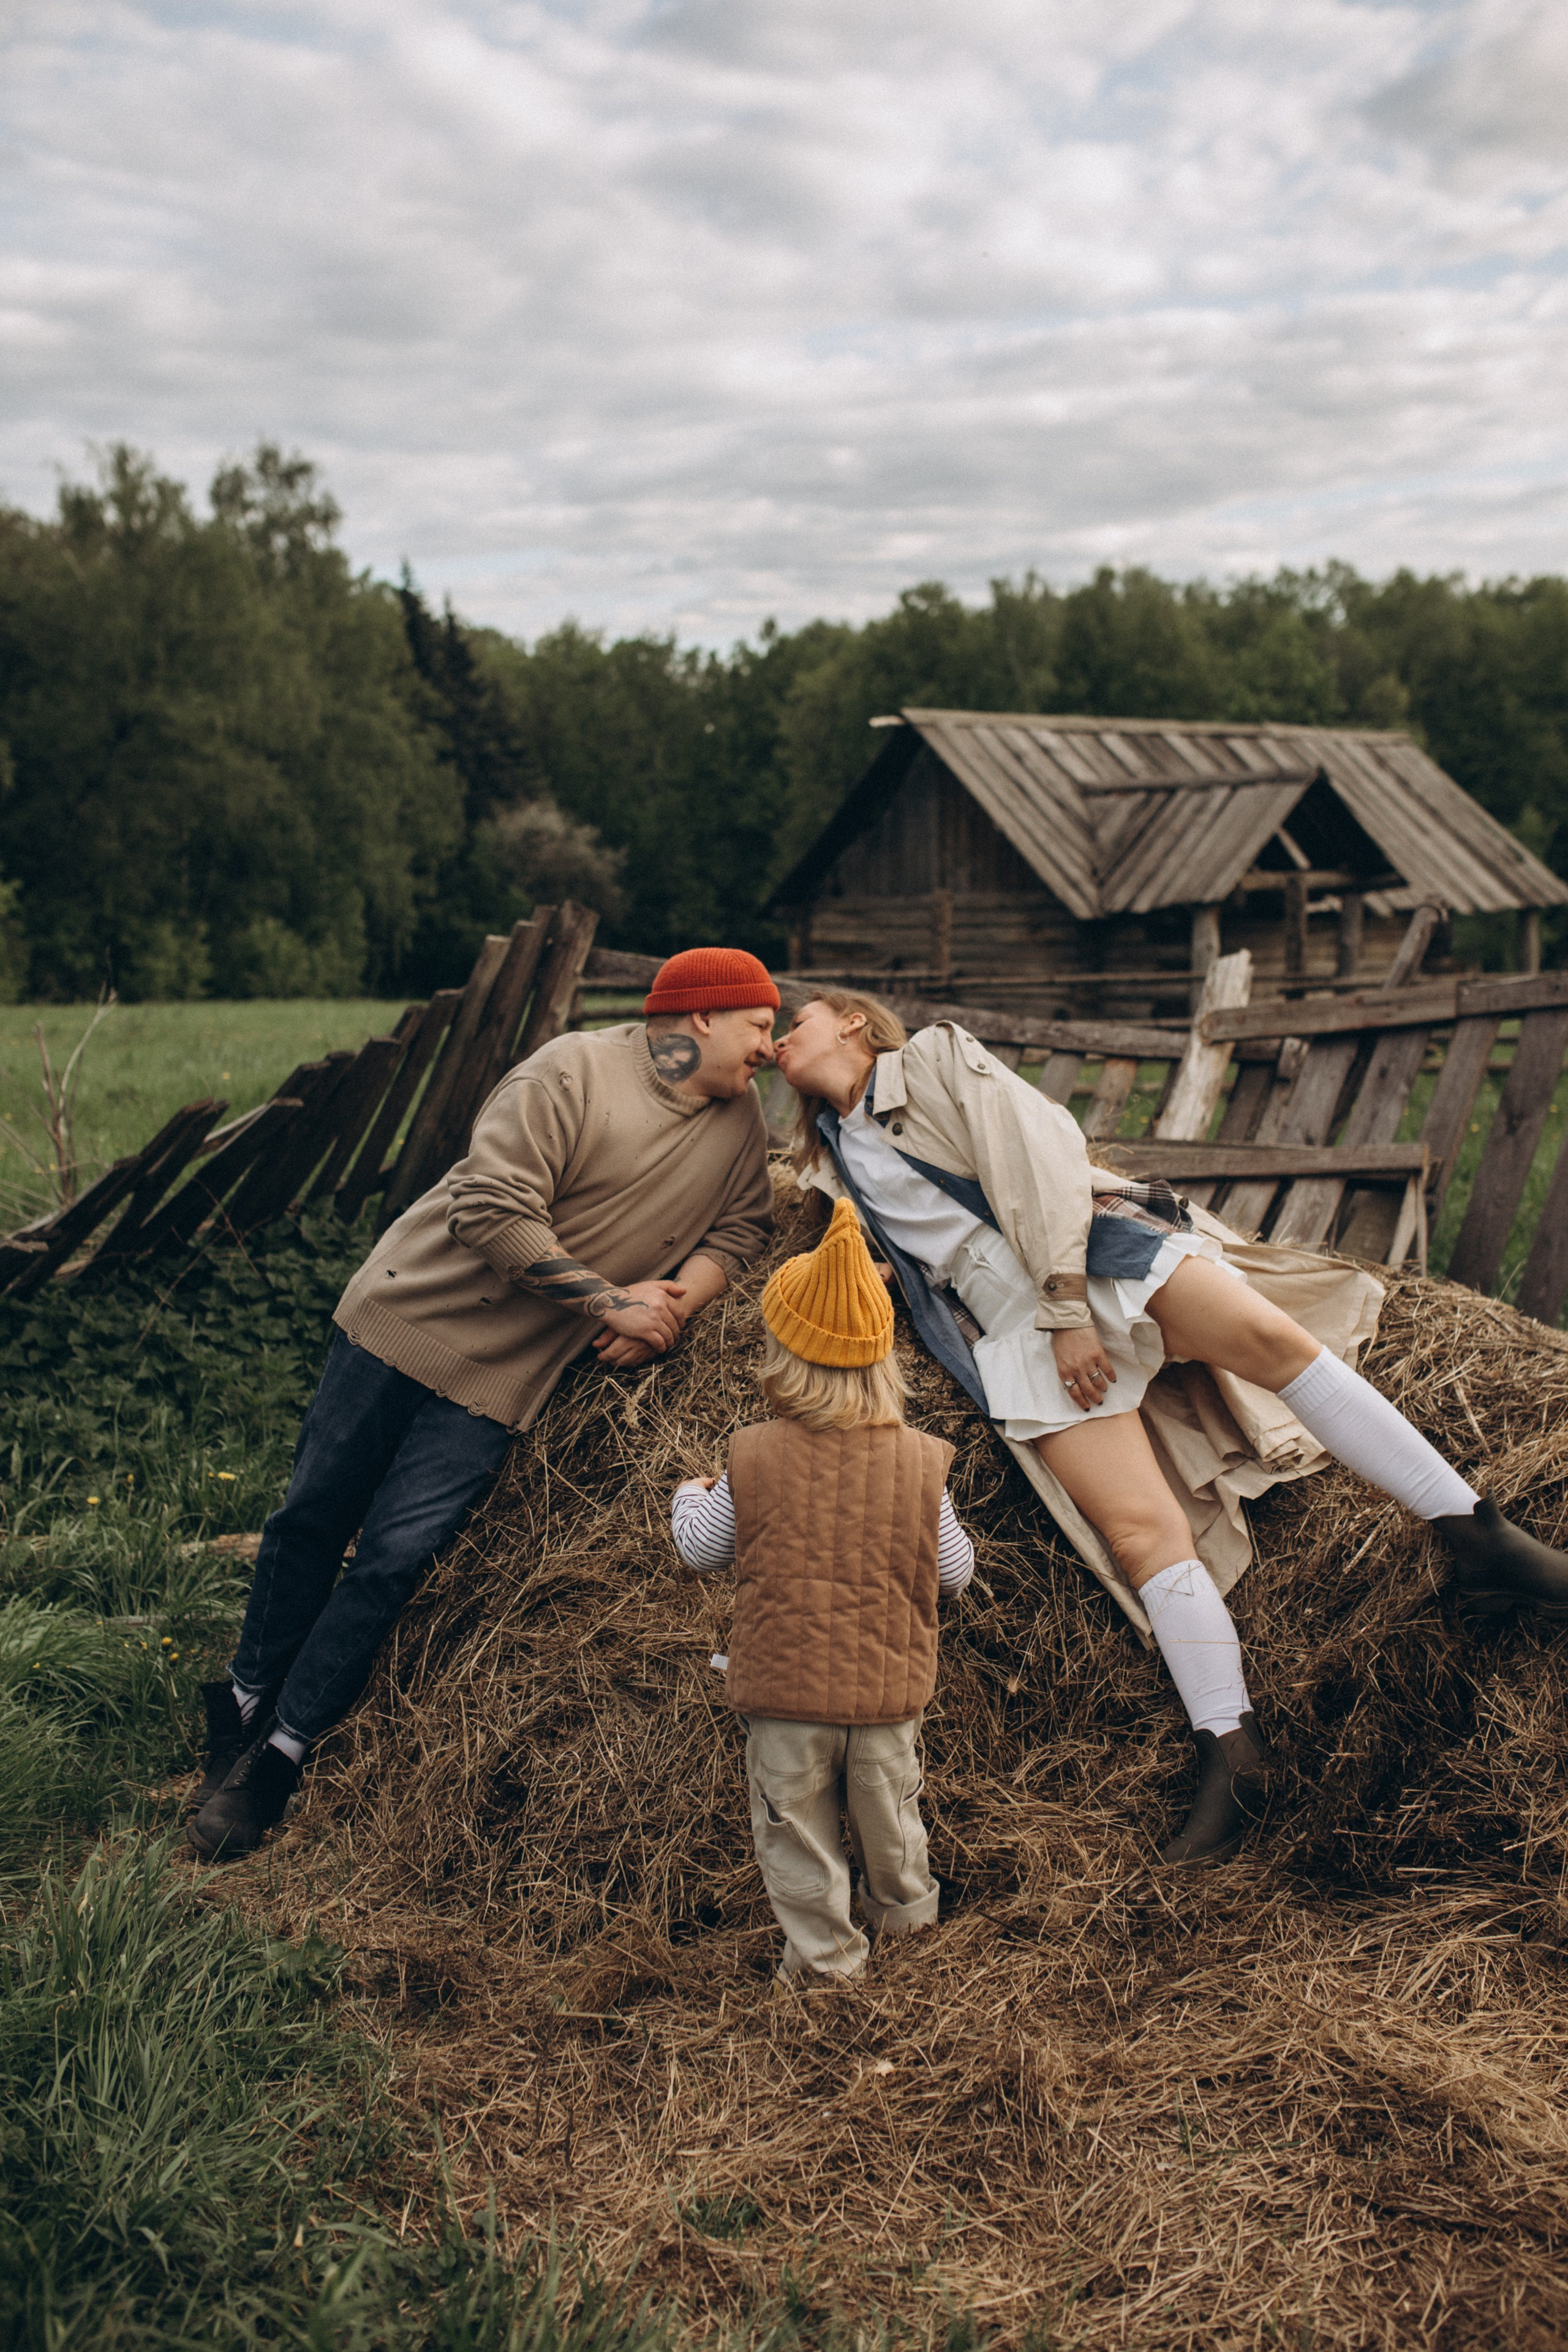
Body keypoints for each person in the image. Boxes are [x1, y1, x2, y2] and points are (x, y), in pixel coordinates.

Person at [772, 990, 1568, 1869]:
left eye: (792, 1024)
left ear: (852, 1022)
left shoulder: (931, 1060)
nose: (777, 1042)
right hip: (1001, 1321)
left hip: (1084, 1256)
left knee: (1278, 1346)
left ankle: (1479, 1537)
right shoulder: (834, 1156)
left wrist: (1066, 1306)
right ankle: (1234, 1755)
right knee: (1139, 1531)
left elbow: (1038, 1160)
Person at [186, 947, 780, 1861]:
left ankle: (281, 1751)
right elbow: (493, 1209)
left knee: (393, 1558)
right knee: (314, 1517)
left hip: (506, 1374)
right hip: (404, 1320)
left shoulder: (738, 1123)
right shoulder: (572, 1071)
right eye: (761, 1025)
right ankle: (242, 1698)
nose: (770, 1050)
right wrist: (612, 1301)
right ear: (702, 1015)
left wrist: (673, 1307)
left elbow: (742, 1226)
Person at [670, 1196, 975, 1982]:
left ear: (782, 1354)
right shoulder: (921, 1462)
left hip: (786, 1700)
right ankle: (911, 1942)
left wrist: (689, 1496)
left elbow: (704, 1550)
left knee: (798, 1839)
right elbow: (954, 1573)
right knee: (892, 1830)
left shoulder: (754, 1455)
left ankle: (826, 1968)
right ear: (886, 1361)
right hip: (885, 1697)